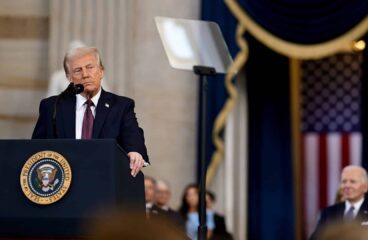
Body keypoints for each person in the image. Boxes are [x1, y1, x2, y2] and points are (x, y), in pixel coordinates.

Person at [32, 46, 148, 177]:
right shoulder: (52, 106)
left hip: (106, 180)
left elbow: (133, 135)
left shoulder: (121, 106)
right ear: (69, 78)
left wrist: (135, 151)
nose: (85, 75)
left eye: (90, 67)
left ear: (101, 72)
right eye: (77, 70)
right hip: (63, 182)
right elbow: (36, 149)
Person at [310, 165, 368, 240]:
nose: (347, 185)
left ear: (365, 187)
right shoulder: (328, 213)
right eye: (344, 181)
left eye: (352, 182)